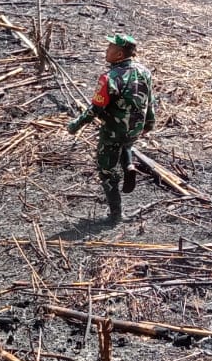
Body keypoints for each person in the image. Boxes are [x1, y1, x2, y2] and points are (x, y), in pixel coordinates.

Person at [66, 34, 156, 223]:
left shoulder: (109, 78)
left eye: (110, 48)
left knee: (106, 169)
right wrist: (149, 124)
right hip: (135, 129)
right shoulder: (145, 72)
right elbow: (150, 101)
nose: (106, 50)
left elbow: (95, 109)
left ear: (119, 54)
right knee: (126, 144)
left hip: (113, 130)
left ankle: (116, 214)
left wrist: (76, 125)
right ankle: (129, 165)